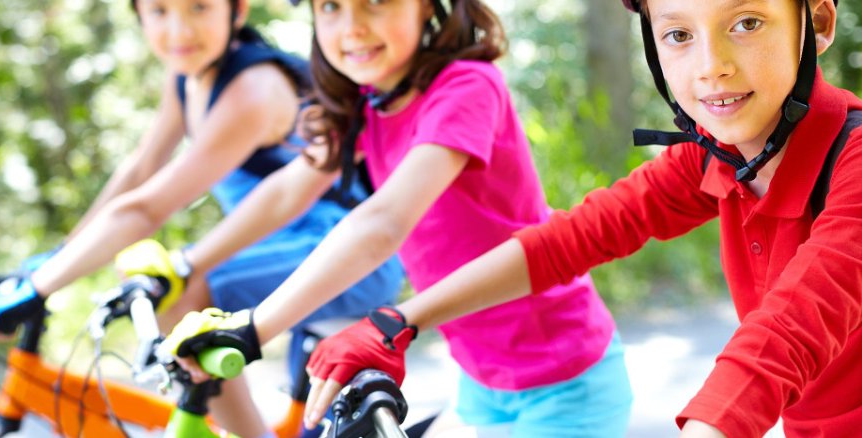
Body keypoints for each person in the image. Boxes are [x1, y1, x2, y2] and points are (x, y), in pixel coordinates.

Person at [305, 0, 862, 436]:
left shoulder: (853, 162)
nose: (711, 66)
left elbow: (790, 331)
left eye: (746, 23)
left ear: (816, 24)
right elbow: (570, 239)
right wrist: (398, 321)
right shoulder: (719, 154)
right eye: (678, 35)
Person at [158, 0, 634, 436]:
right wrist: (187, 264)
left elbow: (384, 221)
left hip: (564, 376)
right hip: (480, 379)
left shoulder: (467, 85)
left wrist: (256, 326)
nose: (353, 26)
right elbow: (286, 191)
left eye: (376, 1)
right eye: (331, 6)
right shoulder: (368, 100)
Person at [0, 0, 405, 435]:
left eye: (199, 7)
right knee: (178, 289)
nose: (179, 30)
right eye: (159, 10)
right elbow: (141, 171)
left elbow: (150, 207)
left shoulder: (252, 90)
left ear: (237, 12)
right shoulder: (188, 76)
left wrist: (39, 285)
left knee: (184, 293)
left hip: (343, 253)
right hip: (275, 251)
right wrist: (56, 259)